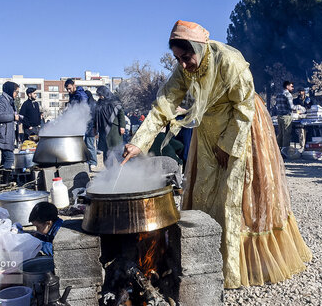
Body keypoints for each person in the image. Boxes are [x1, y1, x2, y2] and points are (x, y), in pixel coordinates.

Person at [122, 20, 312, 288]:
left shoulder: (229, 61)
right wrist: (138, 142)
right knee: (205, 191)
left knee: (240, 195)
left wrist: (228, 144)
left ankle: (247, 263)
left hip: (242, 128)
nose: (183, 65)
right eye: (177, 59)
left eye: (186, 57)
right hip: (208, 130)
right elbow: (165, 103)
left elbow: (244, 106)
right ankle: (207, 258)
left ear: (199, 48)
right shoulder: (183, 69)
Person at [64, 78, 97, 171]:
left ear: (74, 85)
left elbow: (84, 107)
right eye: (67, 89)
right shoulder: (72, 95)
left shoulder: (81, 94)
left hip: (88, 122)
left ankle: (93, 162)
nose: (68, 91)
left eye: (70, 88)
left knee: (89, 144)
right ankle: (84, 161)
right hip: (79, 122)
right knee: (80, 143)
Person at [0, 81, 20, 183]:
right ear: (10, 90)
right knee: (9, 158)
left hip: (9, 134)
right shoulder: (0, 101)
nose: (17, 94)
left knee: (5, 159)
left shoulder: (10, 102)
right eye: (16, 92)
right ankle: (6, 181)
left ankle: (3, 180)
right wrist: (13, 117)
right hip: (2, 135)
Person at [95, 86, 126, 165]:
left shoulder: (114, 101)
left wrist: (122, 126)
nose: (100, 96)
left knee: (118, 151)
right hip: (103, 130)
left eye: (100, 94)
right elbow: (95, 116)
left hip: (114, 130)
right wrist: (94, 127)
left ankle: (124, 169)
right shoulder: (99, 103)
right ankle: (110, 172)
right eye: (98, 95)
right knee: (106, 153)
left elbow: (121, 114)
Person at [275, 81, 297, 148]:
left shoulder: (279, 94)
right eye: (291, 86)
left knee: (280, 134)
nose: (293, 88)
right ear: (287, 86)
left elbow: (277, 106)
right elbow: (291, 107)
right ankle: (285, 151)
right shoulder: (288, 95)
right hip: (286, 117)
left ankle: (278, 149)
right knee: (286, 134)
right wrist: (299, 107)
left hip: (279, 116)